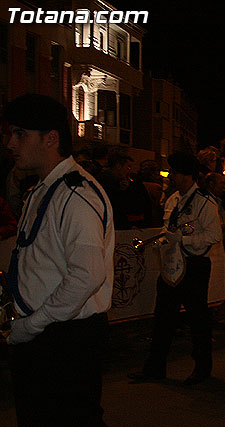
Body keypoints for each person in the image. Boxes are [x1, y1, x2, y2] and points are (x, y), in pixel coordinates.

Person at [2, 93, 114, 426]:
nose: (10, 143)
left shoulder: (76, 195)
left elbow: (87, 276)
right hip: (48, 333)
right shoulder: (44, 188)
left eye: (20, 134)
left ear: (51, 139)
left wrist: (30, 326)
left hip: (64, 338)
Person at [128, 151, 222, 386]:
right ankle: (154, 367)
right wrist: (163, 240)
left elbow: (213, 235)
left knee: (198, 320)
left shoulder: (205, 202)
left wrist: (183, 239)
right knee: (162, 318)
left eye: (175, 172)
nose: (171, 175)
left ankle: (202, 369)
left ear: (187, 175)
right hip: (172, 266)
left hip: (195, 265)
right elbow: (167, 229)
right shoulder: (172, 200)